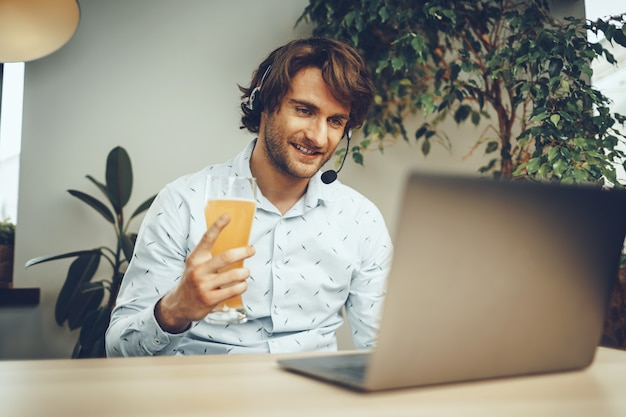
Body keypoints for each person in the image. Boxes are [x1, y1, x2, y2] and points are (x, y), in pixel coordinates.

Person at [105, 37, 393, 356]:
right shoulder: (182, 202)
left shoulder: (360, 220)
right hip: (206, 400)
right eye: (304, 110)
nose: (318, 136)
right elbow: (118, 350)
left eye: (335, 121)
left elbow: (383, 352)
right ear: (265, 104)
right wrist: (174, 311)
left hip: (313, 402)